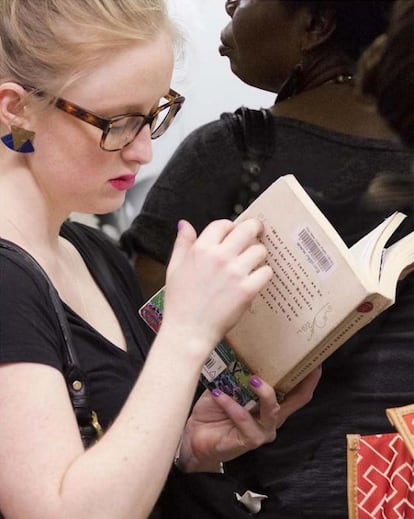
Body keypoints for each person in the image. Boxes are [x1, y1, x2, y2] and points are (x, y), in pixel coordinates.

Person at [0, 2, 322, 518]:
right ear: (15, 108)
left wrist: (184, 447)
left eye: (154, 115)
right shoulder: (8, 280)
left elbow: (99, 456)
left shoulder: (95, 255)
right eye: (120, 122)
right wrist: (186, 335)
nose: (143, 152)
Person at [122, 1, 414, 517]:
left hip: (269, 485)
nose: (227, 8)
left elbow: (142, 335)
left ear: (316, 26)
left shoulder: (230, 150)